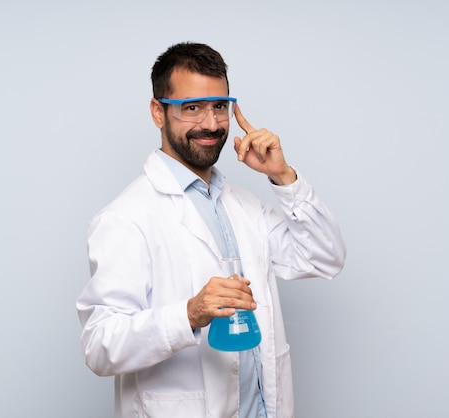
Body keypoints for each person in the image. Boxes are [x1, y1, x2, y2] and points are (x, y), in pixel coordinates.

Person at [76, 42, 346, 418]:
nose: (211, 123)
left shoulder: (245, 206)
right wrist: (189, 314)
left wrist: (283, 178)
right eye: (191, 108)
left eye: (219, 106)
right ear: (158, 112)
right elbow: (100, 346)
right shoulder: (126, 218)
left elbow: (326, 256)